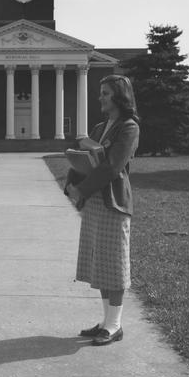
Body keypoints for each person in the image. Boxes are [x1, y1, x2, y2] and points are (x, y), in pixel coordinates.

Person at [65, 75, 139, 346]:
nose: (101, 98)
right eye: (101, 93)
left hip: (114, 202)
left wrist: (81, 189)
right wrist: (71, 184)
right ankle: (106, 321)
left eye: (106, 93)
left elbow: (112, 167)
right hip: (95, 203)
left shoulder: (128, 128)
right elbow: (82, 160)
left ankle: (115, 325)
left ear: (120, 96)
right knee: (100, 263)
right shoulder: (98, 127)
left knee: (114, 263)